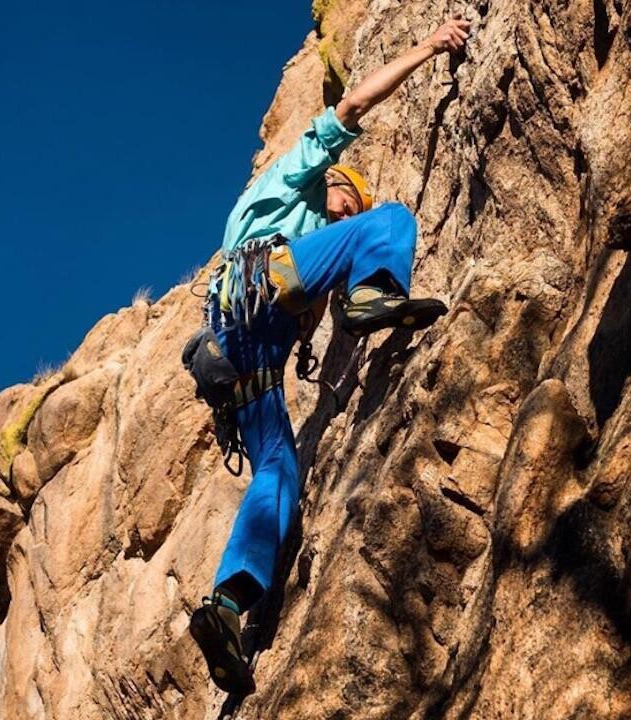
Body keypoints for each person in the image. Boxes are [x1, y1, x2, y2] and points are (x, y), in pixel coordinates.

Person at [187, 16, 473, 695]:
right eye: (350, 196)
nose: (352, 209)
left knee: (278, 474)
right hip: (263, 285)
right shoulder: (299, 180)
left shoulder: (312, 233)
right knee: (394, 223)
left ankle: (227, 607)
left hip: (241, 357)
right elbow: (351, 106)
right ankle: (373, 294)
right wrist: (429, 45)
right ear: (332, 181)